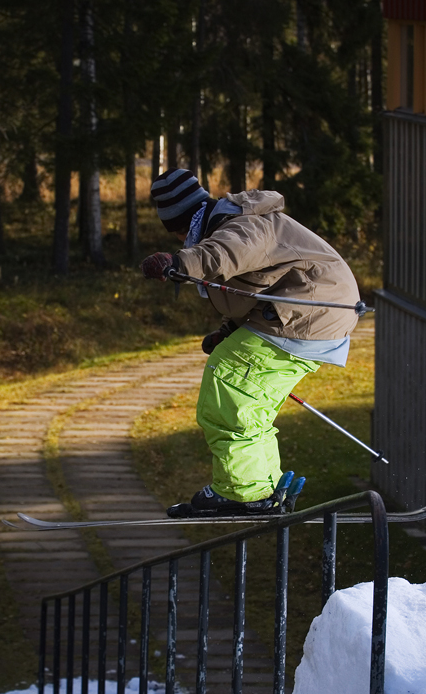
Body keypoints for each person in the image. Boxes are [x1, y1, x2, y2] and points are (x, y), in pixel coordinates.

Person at [142, 167, 360, 518]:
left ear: (181, 223)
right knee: (247, 400)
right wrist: (229, 330)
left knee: (228, 383)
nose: (185, 240)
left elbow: (223, 253)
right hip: (307, 311)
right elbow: (259, 286)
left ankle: (244, 491)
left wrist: (177, 261)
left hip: (308, 314)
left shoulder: (240, 227)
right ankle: (264, 485)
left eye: (182, 234)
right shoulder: (239, 220)